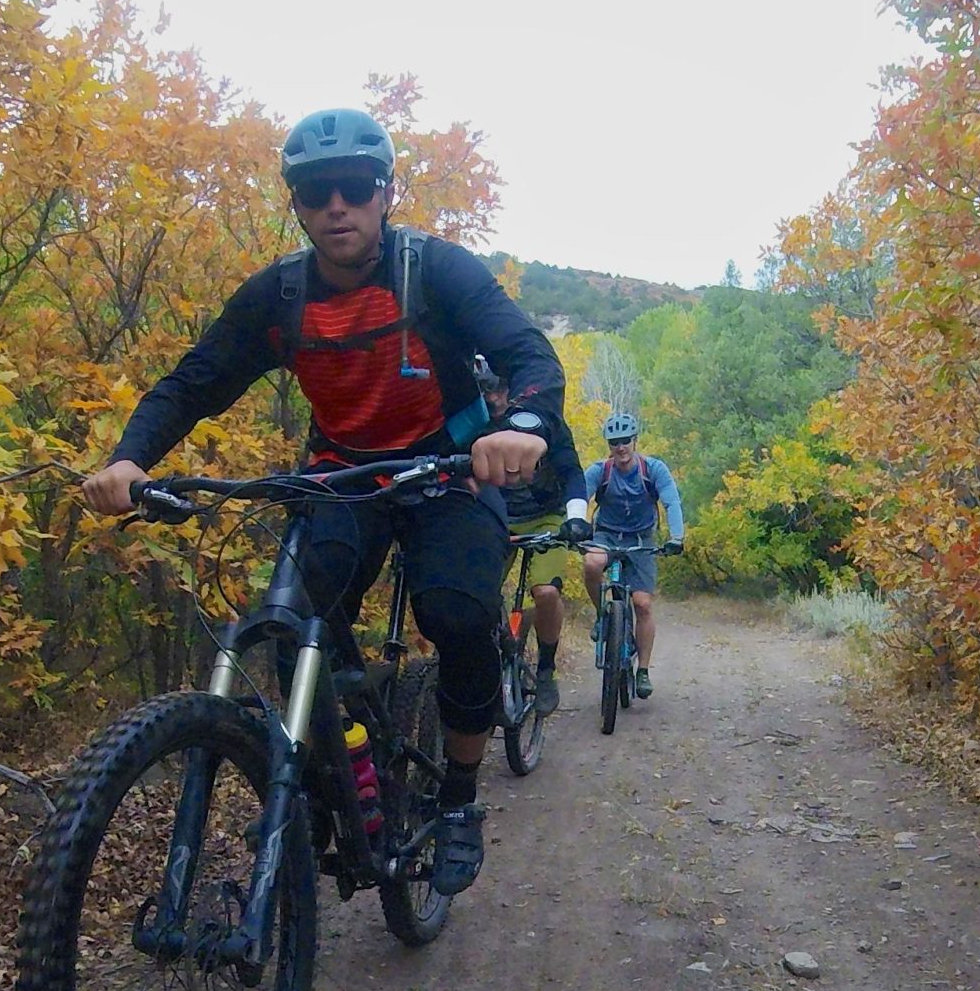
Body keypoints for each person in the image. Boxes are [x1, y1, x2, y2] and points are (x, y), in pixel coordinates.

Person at [79, 107, 566, 895]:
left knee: (454, 613)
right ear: (297, 204)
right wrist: (130, 460)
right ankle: (348, 762)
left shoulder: (435, 271)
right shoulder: (280, 297)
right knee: (295, 613)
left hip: (447, 472)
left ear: (384, 192)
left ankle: (458, 801)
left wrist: (523, 426)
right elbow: (194, 383)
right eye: (314, 191)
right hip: (343, 474)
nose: (335, 204)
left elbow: (527, 353)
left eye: (353, 186)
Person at [487, 355, 591, 716]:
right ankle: (485, 672)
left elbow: (572, 473)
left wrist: (576, 518)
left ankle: (546, 670)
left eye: (501, 389)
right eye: (487, 389)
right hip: (496, 518)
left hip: (545, 517)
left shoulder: (547, 424)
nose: (495, 398)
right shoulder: (475, 425)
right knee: (473, 595)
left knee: (546, 592)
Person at [581, 412, 685, 699]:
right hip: (606, 535)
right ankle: (603, 616)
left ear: (635, 441)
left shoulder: (653, 470)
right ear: (609, 445)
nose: (621, 447)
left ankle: (643, 671)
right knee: (592, 562)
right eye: (615, 442)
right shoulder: (599, 471)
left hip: (641, 539)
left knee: (642, 604)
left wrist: (677, 537)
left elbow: (671, 501)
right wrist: (574, 526)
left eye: (626, 440)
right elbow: (580, 497)